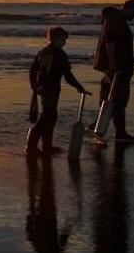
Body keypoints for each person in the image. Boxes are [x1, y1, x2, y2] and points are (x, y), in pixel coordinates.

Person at [27, 26, 89, 156]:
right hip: (51, 89)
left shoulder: (42, 52)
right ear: (56, 38)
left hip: (42, 88)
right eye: (63, 39)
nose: (65, 42)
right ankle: (32, 147)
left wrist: (34, 86)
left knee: (49, 117)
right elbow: (67, 74)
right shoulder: (59, 54)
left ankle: (45, 146)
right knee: (47, 117)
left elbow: (32, 70)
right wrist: (79, 87)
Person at [93, 0, 134, 143]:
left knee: (109, 98)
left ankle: (98, 127)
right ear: (128, 8)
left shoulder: (113, 19)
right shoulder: (117, 20)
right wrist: (113, 65)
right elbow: (111, 42)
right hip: (117, 68)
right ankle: (119, 133)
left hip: (114, 67)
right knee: (118, 99)